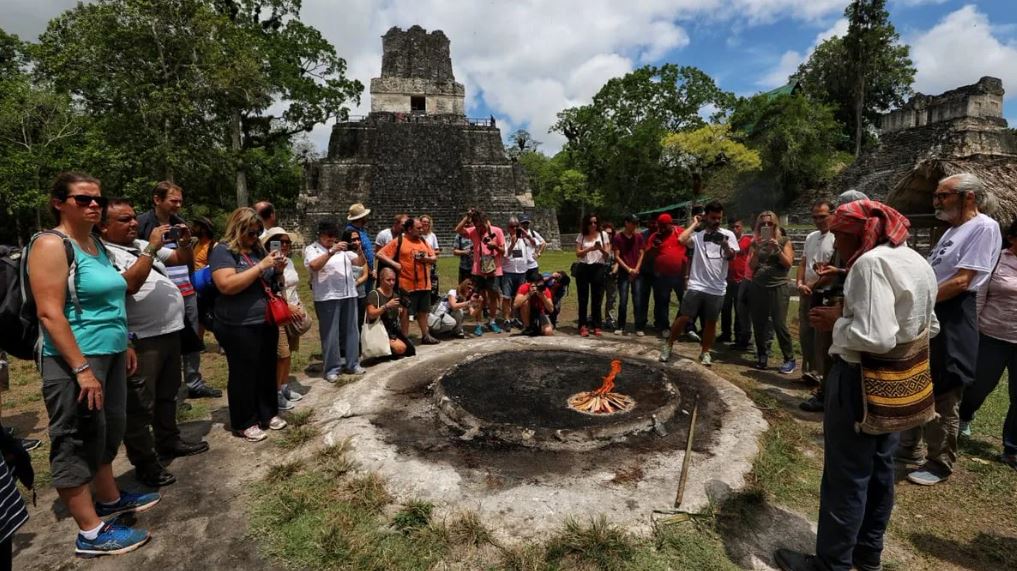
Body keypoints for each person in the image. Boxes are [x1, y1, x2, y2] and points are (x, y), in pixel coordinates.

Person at [775, 199, 938, 571]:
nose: (836, 244)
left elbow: (875, 337)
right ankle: (867, 557)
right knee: (880, 473)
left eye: (840, 235)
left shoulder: (869, 264)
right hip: (900, 384)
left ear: (859, 233)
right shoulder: (916, 261)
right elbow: (930, 327)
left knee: (845, 476)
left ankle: (831, 564)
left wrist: (838, 320)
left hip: (860, 382)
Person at [29, 172, 155, 556]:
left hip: (112, 351)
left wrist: (125, 342)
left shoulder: (95, 244)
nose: (94, 205)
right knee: (75, 437)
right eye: (83, 199)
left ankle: (110, 498)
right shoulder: (52, 244)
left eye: (98, 199)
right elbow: (50, 313)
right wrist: (81, 369)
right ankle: (90, 532)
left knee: (107, 428)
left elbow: (113, 298)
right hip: (75, 359)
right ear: (59, 203)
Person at [899, 173, 1001, 486]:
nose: (937, 201)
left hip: (953, 312)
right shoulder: (953, 230)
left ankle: (940, 461)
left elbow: (962, 280)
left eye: (944, 195)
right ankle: (908, 445)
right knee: (918, 374)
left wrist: (919, 299)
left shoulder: (984, 227)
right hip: (933, 307)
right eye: (936, 196)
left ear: (968, 197)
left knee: (945, 385)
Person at [101, 199, 210, 488]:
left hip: (169, 332)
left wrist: (185, 243)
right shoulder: (103, 253)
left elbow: (180, 260)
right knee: (139, 405)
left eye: (133, 218)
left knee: (168, 394)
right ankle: (145, 463)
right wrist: (150, 248)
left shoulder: (137, 244)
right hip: (142, 338)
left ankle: (168, 441)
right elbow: (130, 285)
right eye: (124, 220)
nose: (133, 223)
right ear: (104, 226)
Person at [210, 207, 289, 442]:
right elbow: (226, 285)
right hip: (237, 324)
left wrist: (277, 271)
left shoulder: (257, 249)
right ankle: (244, 421)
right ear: (238, 229)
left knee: (266, 367)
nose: (256, 237)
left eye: (258, 232)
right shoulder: (223, 251)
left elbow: (270, 283)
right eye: (252, 233)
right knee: (244, 373)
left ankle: (267, 412)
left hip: (264, 319)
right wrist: (261, 267)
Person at [137, 181, 220, 400]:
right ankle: (169, 393)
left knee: (191, 340)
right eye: (173, 200)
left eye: (180, 201)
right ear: (157, 199)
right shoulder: (142, 225)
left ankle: (193, 383)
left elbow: (187, 258)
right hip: (159, 292)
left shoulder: (180, 223)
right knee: (167, 344)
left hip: (186, 290)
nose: (178, 205)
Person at [959, 219, 1017, 470]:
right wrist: (972, 331)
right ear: (1013, 237)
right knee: (978, 386)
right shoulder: (997, 260)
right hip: (991, 336)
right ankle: (964, 415)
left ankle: (1012, 448)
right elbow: (980, 295)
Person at [659, 201, 739, 366]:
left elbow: (732, 257)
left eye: (719, 218)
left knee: (710, 322)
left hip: (717, 287)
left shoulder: (728, 235)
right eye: (713, 217)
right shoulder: (698, 236)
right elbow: (681, 239)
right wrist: (695, 223)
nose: (716, 221)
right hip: (697, 284)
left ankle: (705, 352)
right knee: (684, 317)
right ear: (706, 217)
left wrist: (724, 244)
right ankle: (668, 345)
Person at [304, 221, 367, 381]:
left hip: (349, 293)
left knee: (352, 331)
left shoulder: (341, 248)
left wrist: (359, 251)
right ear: (321, 235)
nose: (332, 239)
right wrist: (331, 251)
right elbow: (314, 266)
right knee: (331, 334)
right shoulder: (312, 249)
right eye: (328, 236)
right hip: (327, 296)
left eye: (334, 236)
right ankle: (332, 368)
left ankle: (352, 364)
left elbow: (359, 263)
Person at [261, 228, 307, 409]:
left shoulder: (289, 262)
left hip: (292, 310)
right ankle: (276, 391)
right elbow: (269, 288)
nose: (285, 245)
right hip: (278, 312)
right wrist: (287, 305)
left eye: (288, 242)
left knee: (289, 354)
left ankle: (284, 385)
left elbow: (293, 285)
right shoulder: (268, 263)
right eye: (281, 242)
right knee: (282, 353)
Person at [376, 217, 439, 344]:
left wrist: (425, 259)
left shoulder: (423, 241)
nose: (421, 230)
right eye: (418, 228)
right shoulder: (399, 241)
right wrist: (395, 264)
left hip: (424, 284)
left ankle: (425, 335)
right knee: (405, 313)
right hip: (406, 284)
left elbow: (434, 257)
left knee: (423, 311)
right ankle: (405, 338)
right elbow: (380, 254)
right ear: (410, 229)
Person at [748, 211, 796, 373]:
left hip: (778, 286)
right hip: (759, 286)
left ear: (775, 225)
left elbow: (788, 263)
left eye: (770, 224)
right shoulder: (755, 243)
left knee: (779, 323)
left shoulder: (783, 241)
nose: (766, 226)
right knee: (759, 322)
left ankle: (789, 358)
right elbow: (752, 266)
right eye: (762, 224)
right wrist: (757, 250)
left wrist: (777, 249)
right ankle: (762, 355)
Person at [796, 200, 836, 384]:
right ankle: (808, 369)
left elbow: (831, 269)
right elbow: (803, 262)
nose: (818, 220)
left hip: (824, 291)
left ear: (832, 215)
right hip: (806, 290)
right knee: (805, 333)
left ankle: (820, 374)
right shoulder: (811, 236)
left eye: (822, 216)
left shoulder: (835, 237)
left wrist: (810, 286)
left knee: (821, 335)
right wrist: (799, 282)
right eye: (815, 217)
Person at [455, 209, 506, 335]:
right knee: (478, 297)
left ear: (485, 222)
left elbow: (503, 251)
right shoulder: (473, 231)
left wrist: (495, 247)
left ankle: (492, 321)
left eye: (480, 225)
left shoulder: (497, 231)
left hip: (494, 270)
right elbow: (458, 230)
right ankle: (478, 324)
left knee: (493, 297)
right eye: (476, 224)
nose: (478, 227)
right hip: (478, 270)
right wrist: (467, 217)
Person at [645, 213, 686, 337]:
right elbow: (647, 256)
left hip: (680, 274)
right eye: (660, 226)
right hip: (662, 275)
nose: (661, 228)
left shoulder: (680, 232)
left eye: (664, 226)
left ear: (671, 224)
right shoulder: (655, 236)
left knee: (685, 301)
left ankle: (679, 326)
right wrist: (654, 247)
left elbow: (690, 246)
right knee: (662, 302)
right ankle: (664, 327)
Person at [574, 213, 611, 337]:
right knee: (583, 299)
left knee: (597, 298)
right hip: (584, 267)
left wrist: (599, 248)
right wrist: (589, 249)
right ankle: (583, 325)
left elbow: (607, 255)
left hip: (598, 267)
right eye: (590, 223)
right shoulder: (582, 236)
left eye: (595, 222)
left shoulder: (603, 235)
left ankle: (597, 325)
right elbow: (578, 253)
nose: (593, 225)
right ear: (586, 224)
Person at [719, 217, 753, 349]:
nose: (734, 229)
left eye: (737, 226)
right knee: (725, 309)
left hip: (741, 280)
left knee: (740, 311)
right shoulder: (725, 241)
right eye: (732, 227)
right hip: (727, 279)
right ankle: (725, 333)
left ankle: (741, 337)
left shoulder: (748, 241)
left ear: (742, 227)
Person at [366, 267, 416, 358]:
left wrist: (403, 309)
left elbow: (400, 319)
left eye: (393, 280)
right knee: (401, 348)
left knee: (411, 350)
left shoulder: (395, 295)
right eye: (388, 280)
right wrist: (386, 306)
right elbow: (371, 315)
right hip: (378, 331)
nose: (392, 283)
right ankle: (381, 352)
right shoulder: (374, 294)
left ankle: (387, 349)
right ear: (381, 279)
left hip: (392, 331)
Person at [500, 216, 537, 330]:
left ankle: (514, 317)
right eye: (512, 226)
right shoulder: (505, 239)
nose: (514, 228)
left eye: (517, 226)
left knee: (517, 297)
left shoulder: (524, 239)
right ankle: (506, 319)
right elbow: (505, 255)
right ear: (508, 228)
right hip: (508, 272)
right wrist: (512, 243)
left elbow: (535, 244)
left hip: (521, 272)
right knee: (506, 297)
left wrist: (526, 234)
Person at [612, 214, 645, 336]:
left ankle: (639, 327)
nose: (635, 226)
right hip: (623, 272)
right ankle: (621, 325)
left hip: (636, 272)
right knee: (623, 300)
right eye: (633, 223)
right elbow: (617, 256)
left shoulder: (639, 237)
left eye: (636, 223)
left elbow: (642, 253)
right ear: (626, 223)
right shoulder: (618, 237)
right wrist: (628, 270)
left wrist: (636, 269)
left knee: (637, 300)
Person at [342, 229, 371, 327]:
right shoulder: (345, 255)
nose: (357, 242)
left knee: (360, 322)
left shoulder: (359, 254)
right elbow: (360, 264)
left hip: (360, 293)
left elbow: (365, 273)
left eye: (358, 239)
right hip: (348, 295)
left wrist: (356, 283)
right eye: (353, 240)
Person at [514, 269, 555, 336]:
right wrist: (528, 294)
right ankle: (528, 327)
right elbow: (515, 305)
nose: (537, 287)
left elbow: (551, 309)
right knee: (525, 302)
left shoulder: (544, 290)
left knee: (548, 331)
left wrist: (543, 297)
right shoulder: (524, 287)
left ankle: (537, 330)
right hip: (524, 313)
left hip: (539, 312)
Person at [346, 202, 375, 295]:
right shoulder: (351, 232)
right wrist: (370, 272)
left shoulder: (361, 230)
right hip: (360, 273)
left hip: (368, 272)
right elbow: (355, 253)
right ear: (361, 218)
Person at [637, 216, 658, 336]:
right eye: (651, 222)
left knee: (659, 298)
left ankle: (658, 322)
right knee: (643, 298)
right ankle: (641, 321)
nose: (653, 225)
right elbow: (640, 251)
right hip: (644, 270)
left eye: (655, 223)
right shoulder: (642, 235)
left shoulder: (661, 235)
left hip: (658, 271)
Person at [601, 222, 619, 332]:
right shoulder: (599, 244)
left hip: (612, 275)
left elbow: (618, 260)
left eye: (611, 233)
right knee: (598, 298)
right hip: (600, 274)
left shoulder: (616, 245)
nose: (609, 235)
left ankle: (610, 319)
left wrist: (615, 270)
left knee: (611, 299)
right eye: (606, 233)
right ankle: (595, 318)